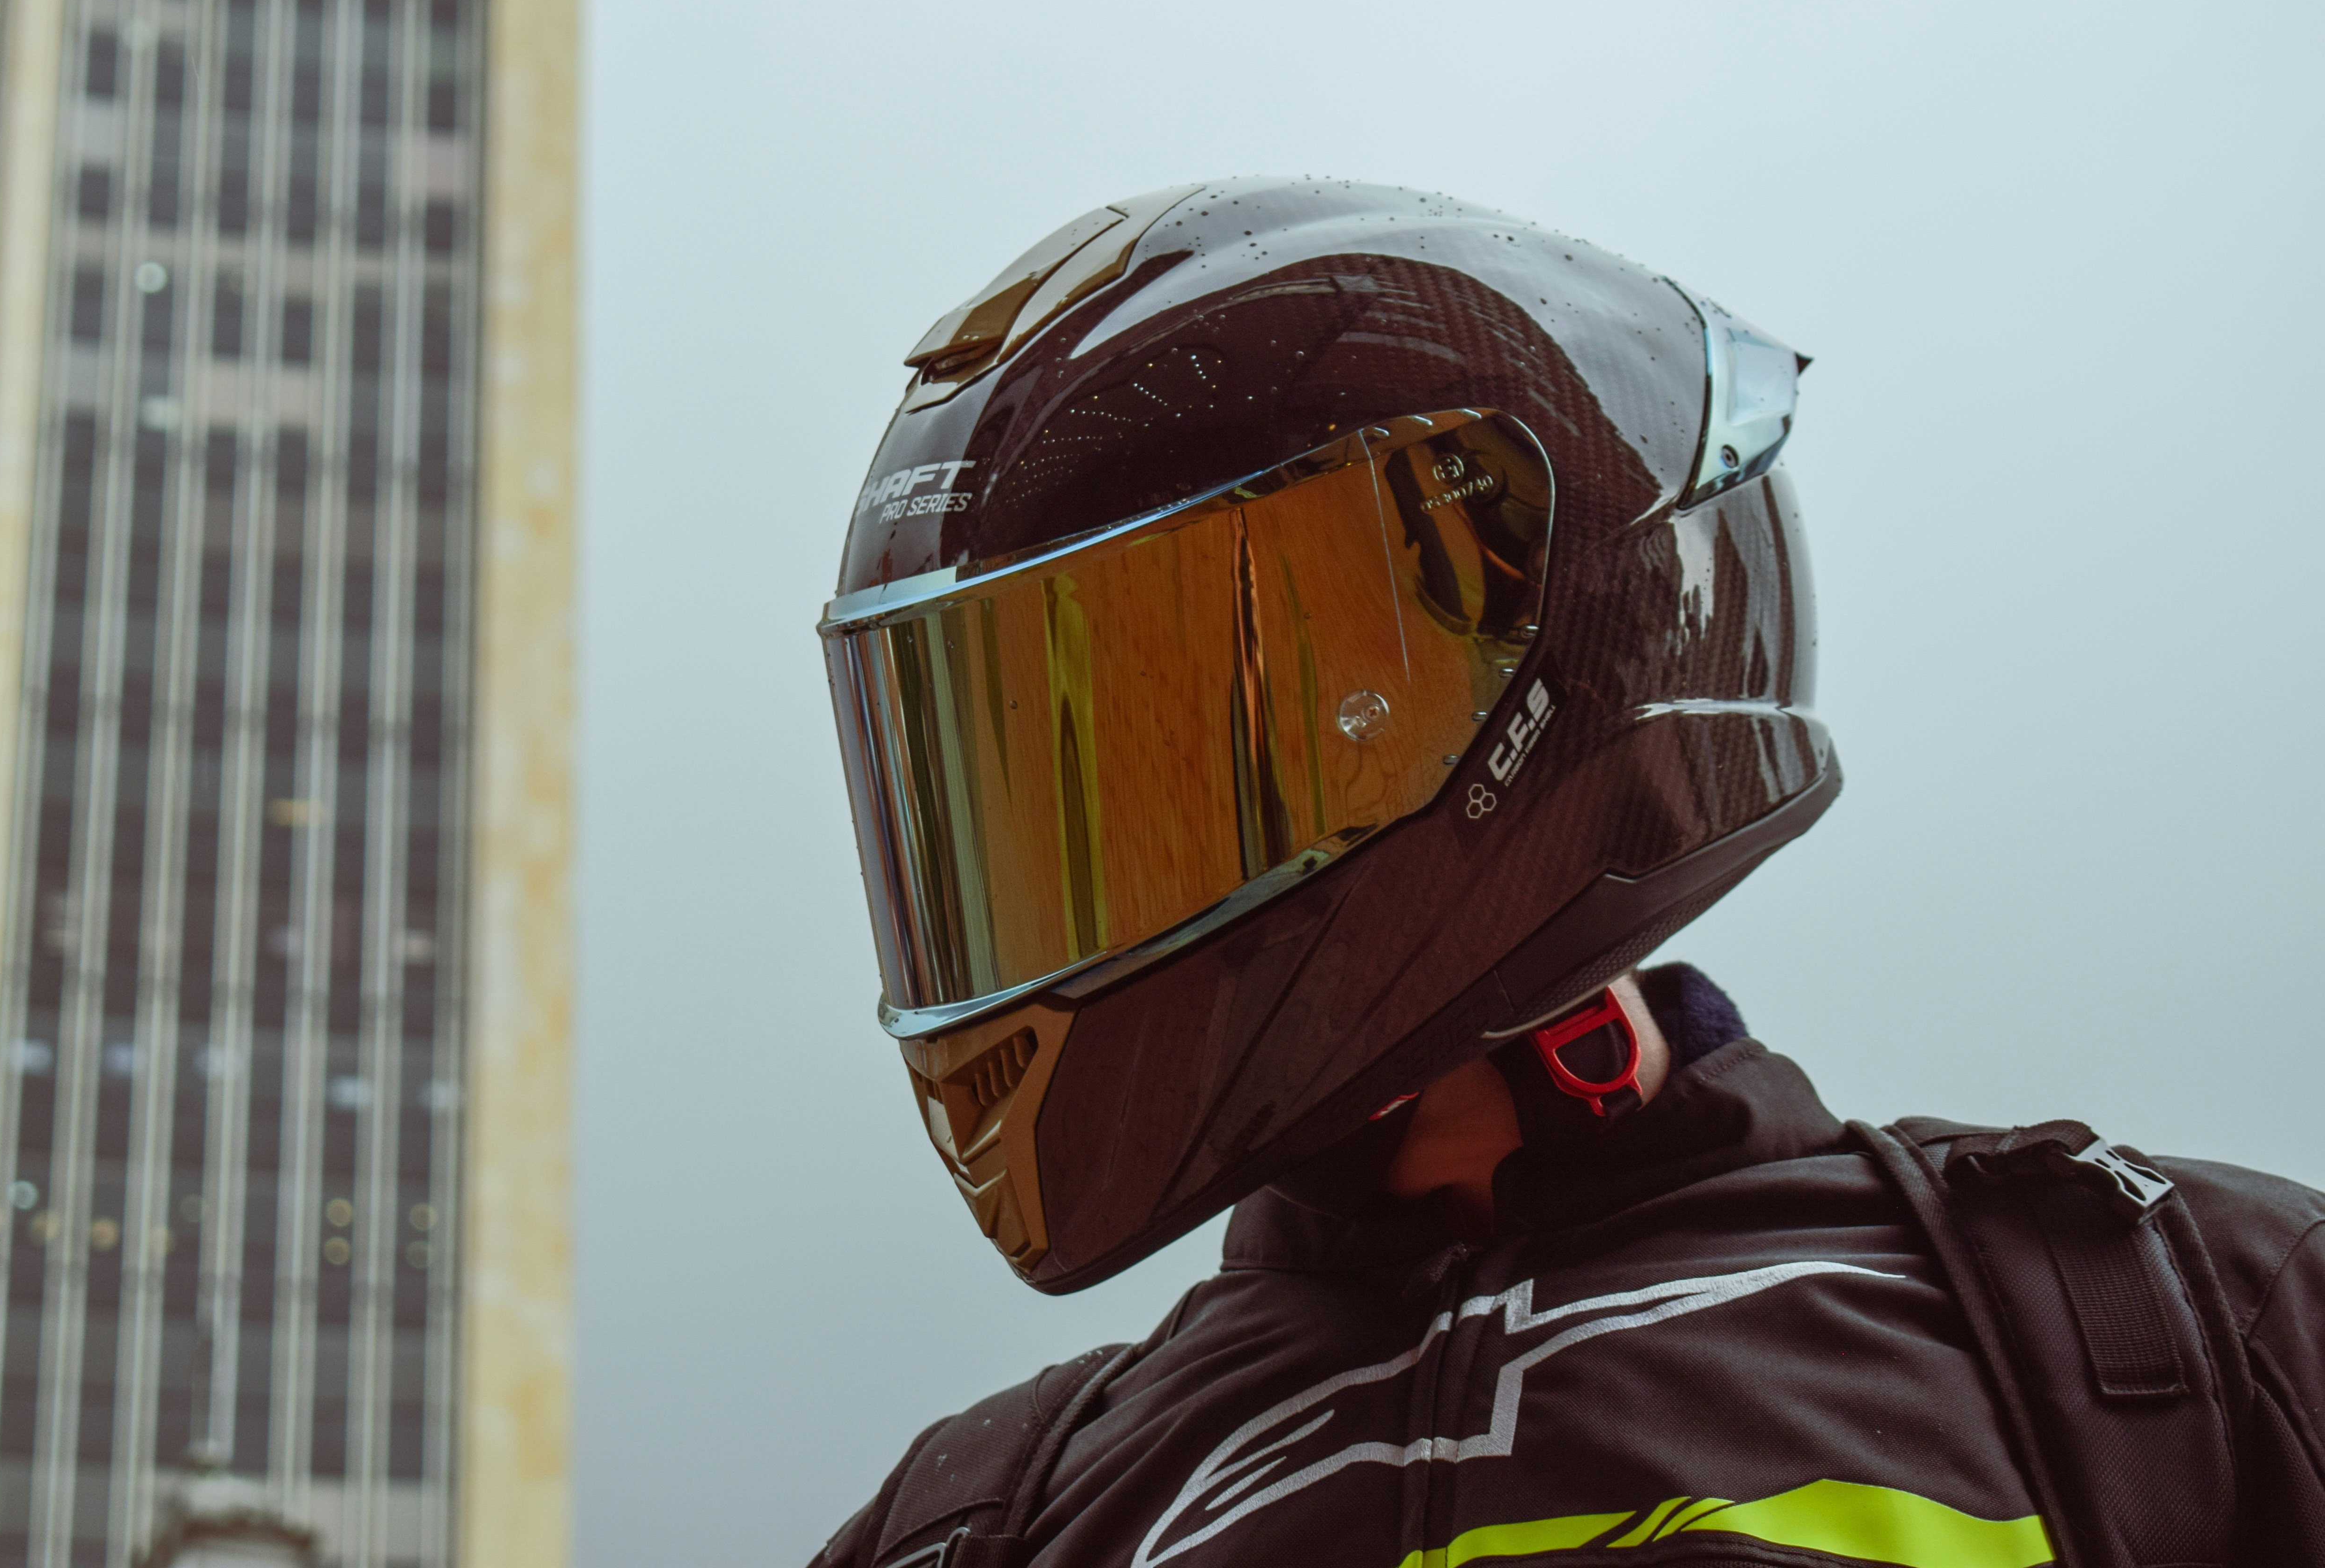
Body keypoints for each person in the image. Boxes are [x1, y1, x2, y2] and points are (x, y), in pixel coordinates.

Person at [806, 180, 2325, 1567]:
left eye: (1185, 739)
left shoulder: (2196, 1316)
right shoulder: (976, 1526)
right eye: (1047, 782)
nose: (1095, 849)